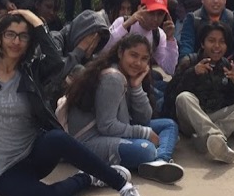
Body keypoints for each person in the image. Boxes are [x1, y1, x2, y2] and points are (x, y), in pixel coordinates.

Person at [0, 10, 149, 196]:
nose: (16, 41)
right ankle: (87, 179)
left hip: (35, 155)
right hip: (5, 171)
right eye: (10, 34)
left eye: (23, 36)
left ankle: (124, 187)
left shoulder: (32, 71)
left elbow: (57, 63)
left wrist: (37, 23)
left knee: (57, 138)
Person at [65, 34, 185, 183]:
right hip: (89, 141)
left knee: (169, 124)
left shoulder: (126, 75)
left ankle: (160, 161)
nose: (138, 63)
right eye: (133, 55)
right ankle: (155, 157)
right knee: (146, 149)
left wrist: (136, 88)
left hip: (114, 130)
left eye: (144, 59)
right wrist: (144, 133)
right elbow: (106, 126)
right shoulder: (113, 78)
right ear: (121, 53)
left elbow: (144, 118)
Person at [164, 22, 234, 163]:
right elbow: (171, 96)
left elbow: (233, 99)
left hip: (215, 114)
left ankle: (210, 138)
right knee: (184, 97)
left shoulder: (226, 65)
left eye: (222, 42)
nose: (217, 46)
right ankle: (216, 135)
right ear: (202, 43)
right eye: (212, 41)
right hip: (192, 119)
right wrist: (192, 73)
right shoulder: (189, 62)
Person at [108, 0, 179, 76]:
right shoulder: (123, 22)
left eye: (160, 14)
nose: (155, 19)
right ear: (140, 9)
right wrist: (126, 25)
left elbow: (169, 69)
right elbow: (104, 50)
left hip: (139, 80)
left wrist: (170, 39)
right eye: (151, 13)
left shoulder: (159, 35)